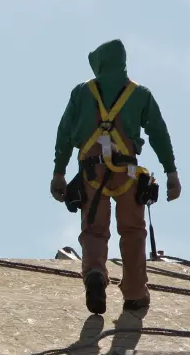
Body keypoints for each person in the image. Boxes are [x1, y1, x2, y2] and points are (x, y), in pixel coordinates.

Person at [50, 39, 181, 315]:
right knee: (132, 232)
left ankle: (95, 272)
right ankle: (134, 294)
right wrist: (171, 172)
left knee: (94, 230)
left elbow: (64, 134)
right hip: (127, 174)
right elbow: (159, 133)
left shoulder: (81, 93)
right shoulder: (140, 95)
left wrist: (59, 173)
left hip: (91, 172)